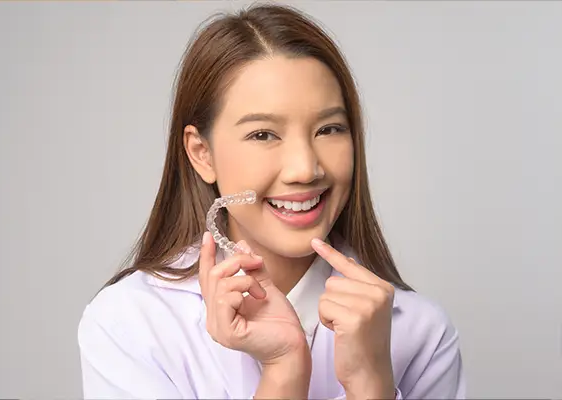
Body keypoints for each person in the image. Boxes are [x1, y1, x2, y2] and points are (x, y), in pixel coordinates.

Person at [77, 3, 466, 399]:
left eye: (329, 129)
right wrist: (284, 370)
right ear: (201, 154)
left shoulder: (422, 333)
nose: (304, 168)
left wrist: (372, 385)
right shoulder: (130, 323)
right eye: (263, 134)